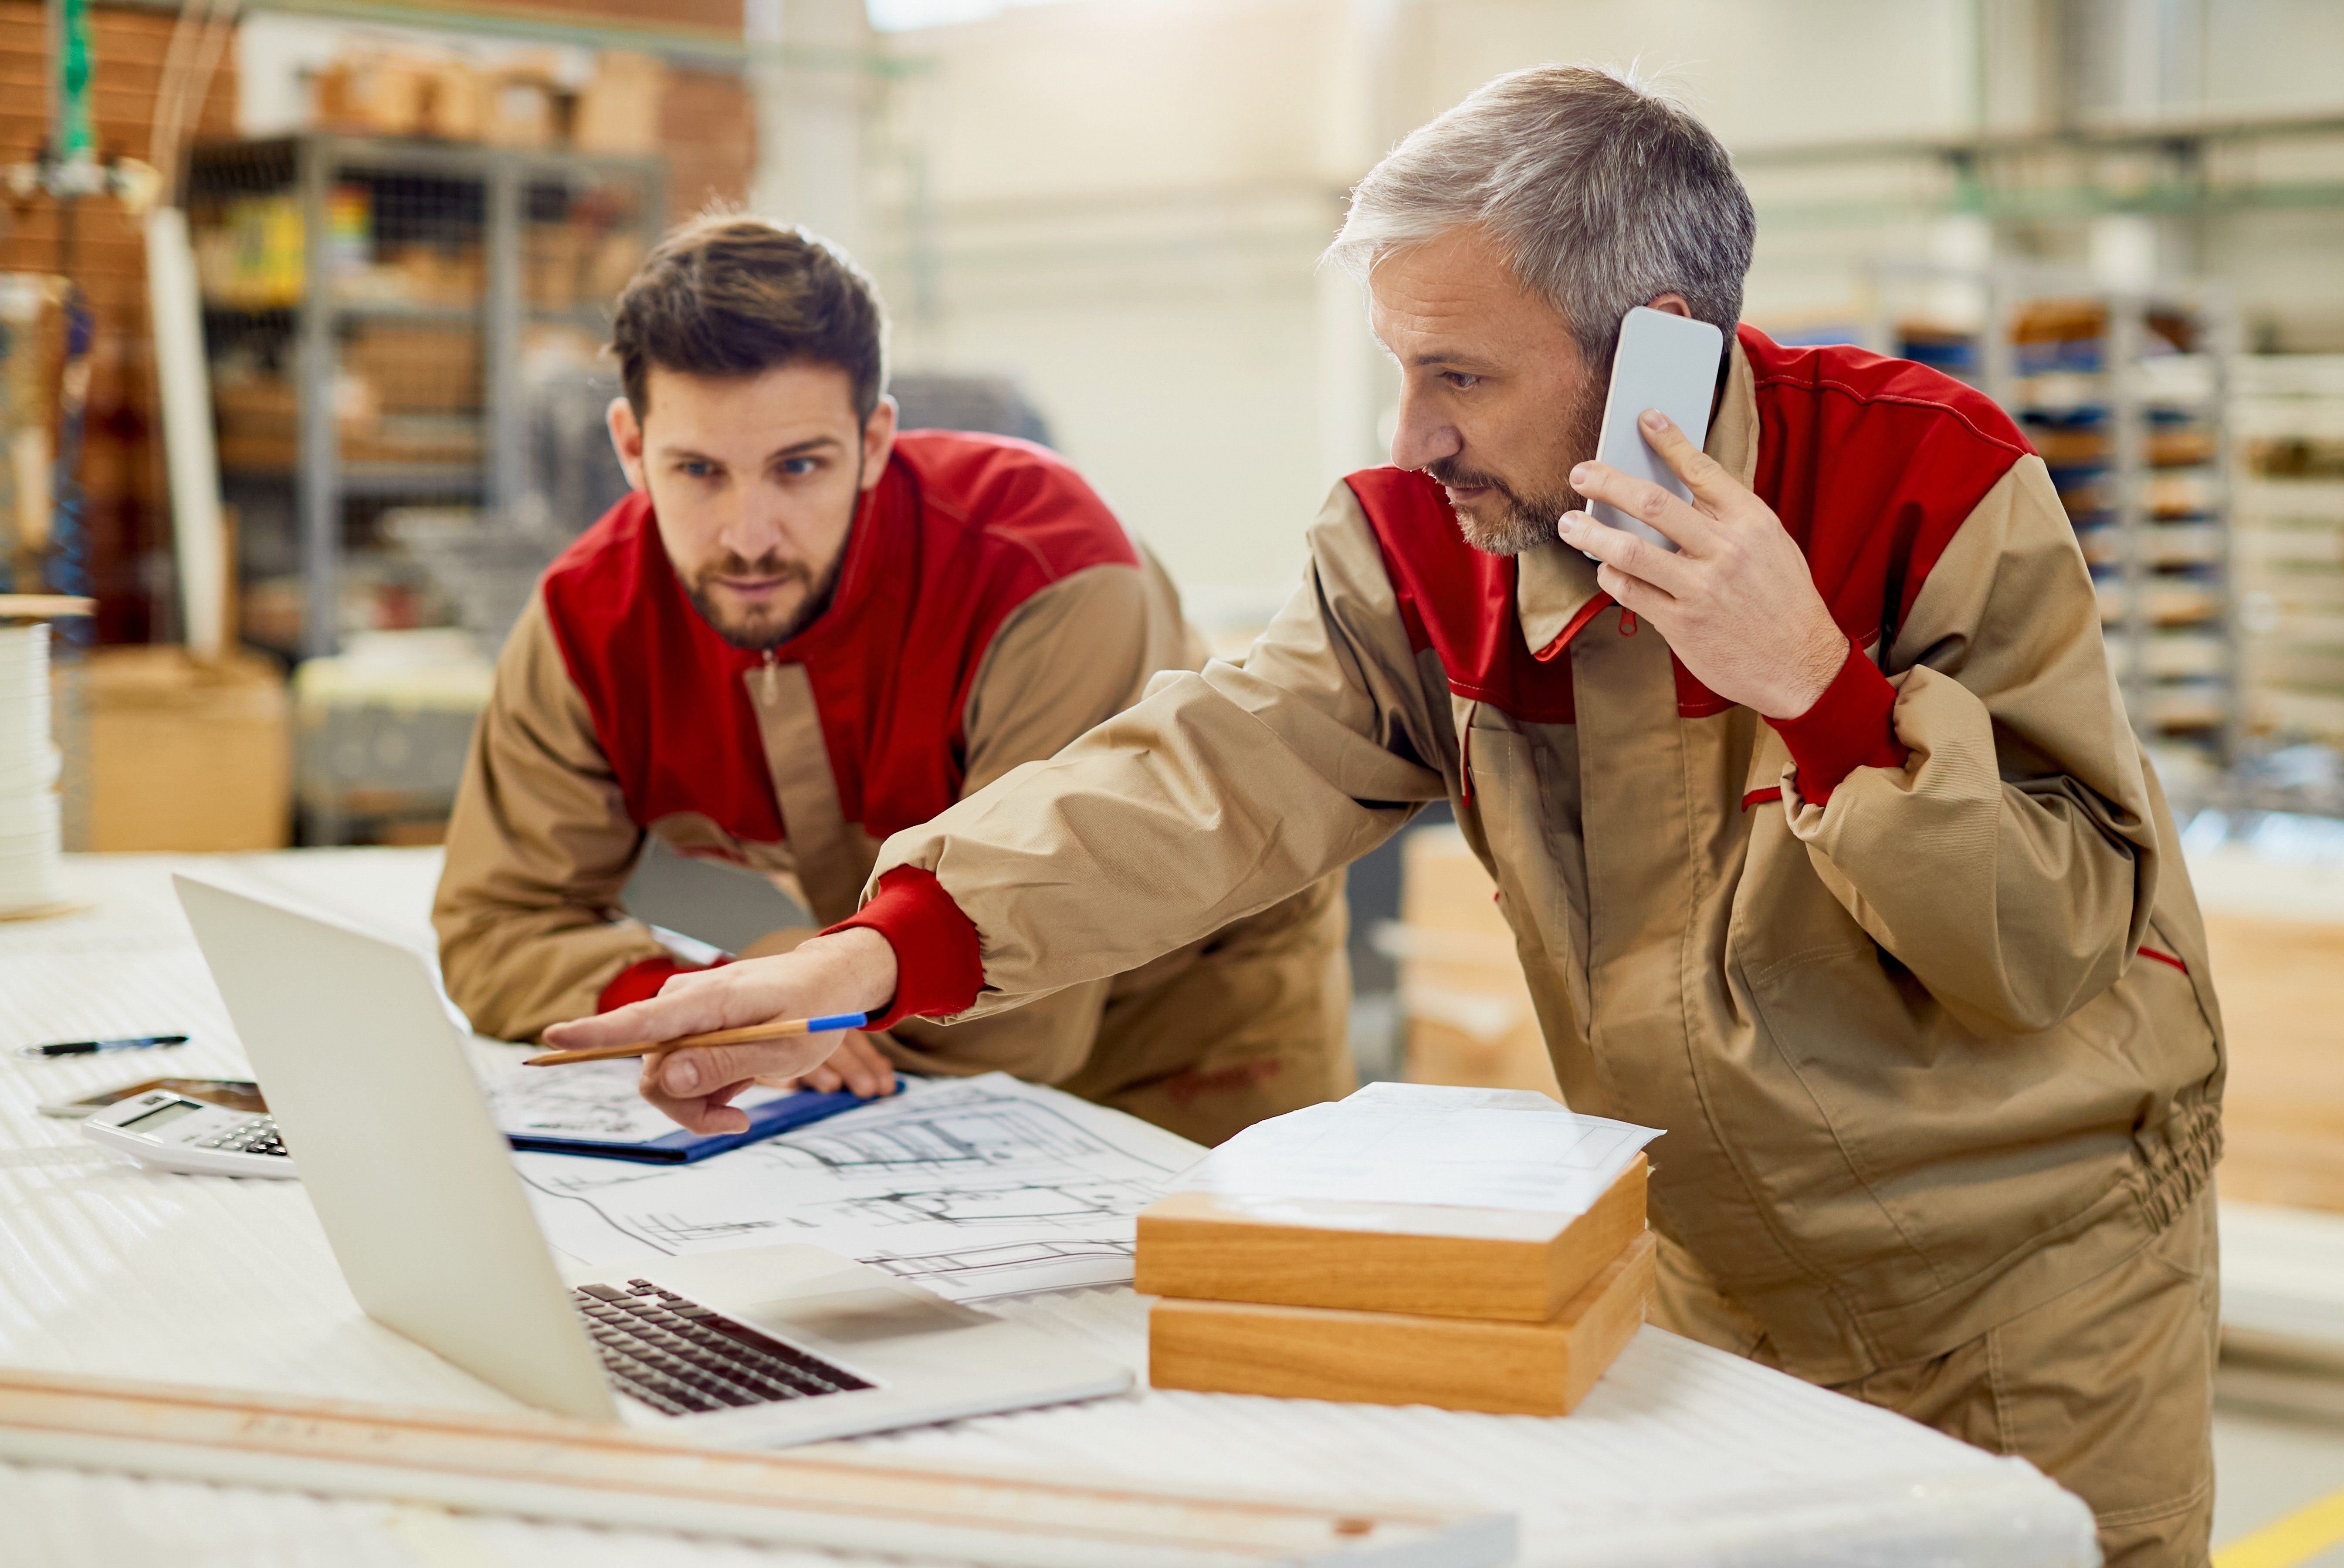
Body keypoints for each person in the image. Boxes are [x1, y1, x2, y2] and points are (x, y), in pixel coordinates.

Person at [548, 72, 2226, 1568]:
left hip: (2033, 1286)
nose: (1407, 433)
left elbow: (2047, 938)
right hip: (1710, 1272)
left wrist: (1816, 685)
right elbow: (1211, 773)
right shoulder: (1431, 545)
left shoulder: (1926, 485)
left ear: (1658, 346)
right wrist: (880, 946)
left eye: (1458, 375)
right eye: (1397, 369)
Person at [434, 214, 1352, 1146]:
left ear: (874, 441)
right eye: (699, 471)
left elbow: (1021, 1017)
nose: (749, 535)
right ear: (632, 448)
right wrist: (695, 1006)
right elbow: (494, 924)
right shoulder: (590, 620)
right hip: (877, 1030)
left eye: (799, 467)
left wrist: (801, 1001)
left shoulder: (1048, 573)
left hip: (1188, 1037)